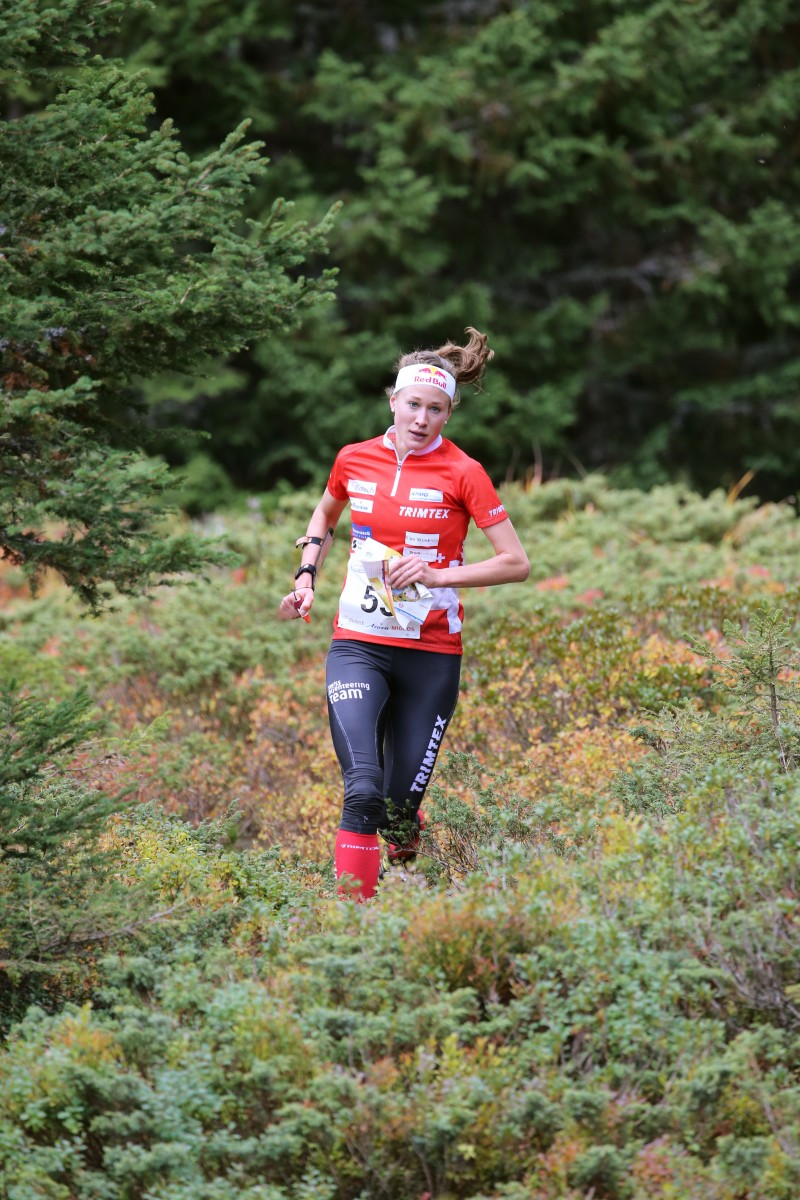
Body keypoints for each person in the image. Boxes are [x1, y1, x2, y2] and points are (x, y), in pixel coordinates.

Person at [278, 328, 529, 899]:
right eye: (412, 404)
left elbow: (516, 563)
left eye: (435, 409)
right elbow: (324, 515)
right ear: (393, 400)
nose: (421, 419)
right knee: (363, 789)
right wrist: (306, 578)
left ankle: (407, 856)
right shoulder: (353, 458)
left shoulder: (464, 472)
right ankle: (353, 924)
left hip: (431, 656)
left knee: (395, 810)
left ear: (449, 413)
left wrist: (438, 575)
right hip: (358, 645)